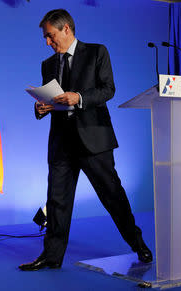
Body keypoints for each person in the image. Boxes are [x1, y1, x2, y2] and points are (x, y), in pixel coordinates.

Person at [19, 9, 152, 271]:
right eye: (46, 37)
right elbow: (50, 99)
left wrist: (78, 97)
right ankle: (51, 257)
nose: (47, 42)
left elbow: (108, 89)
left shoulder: (96, 52)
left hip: (94, 141)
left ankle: (138, 244)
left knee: (113, 196)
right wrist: (41, 109)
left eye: (50, 35)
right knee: (57, 201)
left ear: (66, 29)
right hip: (61, 143)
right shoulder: (48, 65)